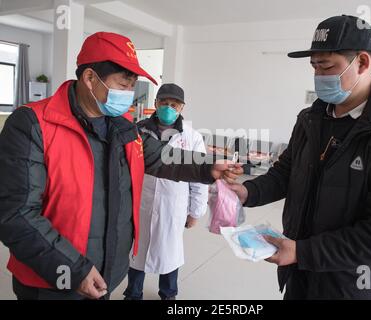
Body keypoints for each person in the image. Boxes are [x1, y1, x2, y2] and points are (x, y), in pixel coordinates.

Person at [0, 32, 241, 300]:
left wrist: (207, 167)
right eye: (123, 85)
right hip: (54, 282)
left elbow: (159, 156)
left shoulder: (122, 126)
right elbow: (16, 214)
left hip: (106, 275)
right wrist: (74, 269)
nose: (129, 94)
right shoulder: (34, 124)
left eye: (132, 86)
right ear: (90, 78)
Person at [229, 15, 371, 299]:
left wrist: (303, 251)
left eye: (326, 66)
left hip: (357, 286)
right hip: (301, 275)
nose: (318, 76)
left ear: (362, 63)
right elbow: (286, 172)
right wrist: (247, 191)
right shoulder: (311, 119)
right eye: (314, 67)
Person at [124, 83, 208, 300]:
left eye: (174, 104)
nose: (168, 108)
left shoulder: (193, 137)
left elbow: (199, 178)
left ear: (182, 107)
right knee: (137, 251)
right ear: (155, 103)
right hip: (141, 203)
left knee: (170, 252)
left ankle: (168, 294)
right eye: (164, 103)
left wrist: (195, 212)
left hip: (173, 205)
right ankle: (133, 294)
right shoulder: (137, 131)